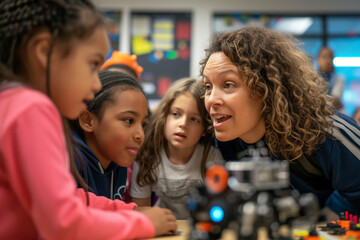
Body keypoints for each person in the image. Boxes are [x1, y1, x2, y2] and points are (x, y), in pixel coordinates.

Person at [0, 0, 176, 239]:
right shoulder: (32, 108)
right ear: (44, 51)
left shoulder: (11, 102)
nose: (96, 84)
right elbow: (65, 223)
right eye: (93, 64)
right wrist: (142, 224)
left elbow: (73, 199)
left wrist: (129, 210)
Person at [200, 26, 360, 216]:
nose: (211, 100)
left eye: (228, 84)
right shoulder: (225, 141)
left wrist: (321, 218)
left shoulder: (326, 132)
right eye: (208, 86)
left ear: (265, 88)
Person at [130, 77, 224, 219]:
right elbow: (141, 213)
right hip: (162, 229)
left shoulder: (212, 157)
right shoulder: (147, 155)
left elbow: (218, 206)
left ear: (205, 128)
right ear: (164, 118)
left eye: (194, 119)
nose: (183, 124)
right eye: (176, 114)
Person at [70, 70, 148, 201]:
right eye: (129, 121)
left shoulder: (117, 161)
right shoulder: (70, 160)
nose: (140, 135)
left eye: (143, 124)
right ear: (88, 121)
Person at [317, 46, 345, 111]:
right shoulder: (311, 78)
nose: (327, 61)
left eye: (330, 57)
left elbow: (334, 100)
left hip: (334, 112)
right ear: (318, 59)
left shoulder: (339, 78)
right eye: (324, 57)